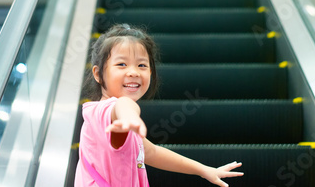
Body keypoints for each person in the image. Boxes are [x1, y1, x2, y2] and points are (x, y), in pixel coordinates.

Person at [74, 24, 243, 187]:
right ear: (98, 74)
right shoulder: (100, 112)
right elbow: (122, 106)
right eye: (121, 64)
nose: (133, 72)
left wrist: (204, 170)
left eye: (142, 65)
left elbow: (151, 152)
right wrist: (131, 117)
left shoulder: (123, 125)